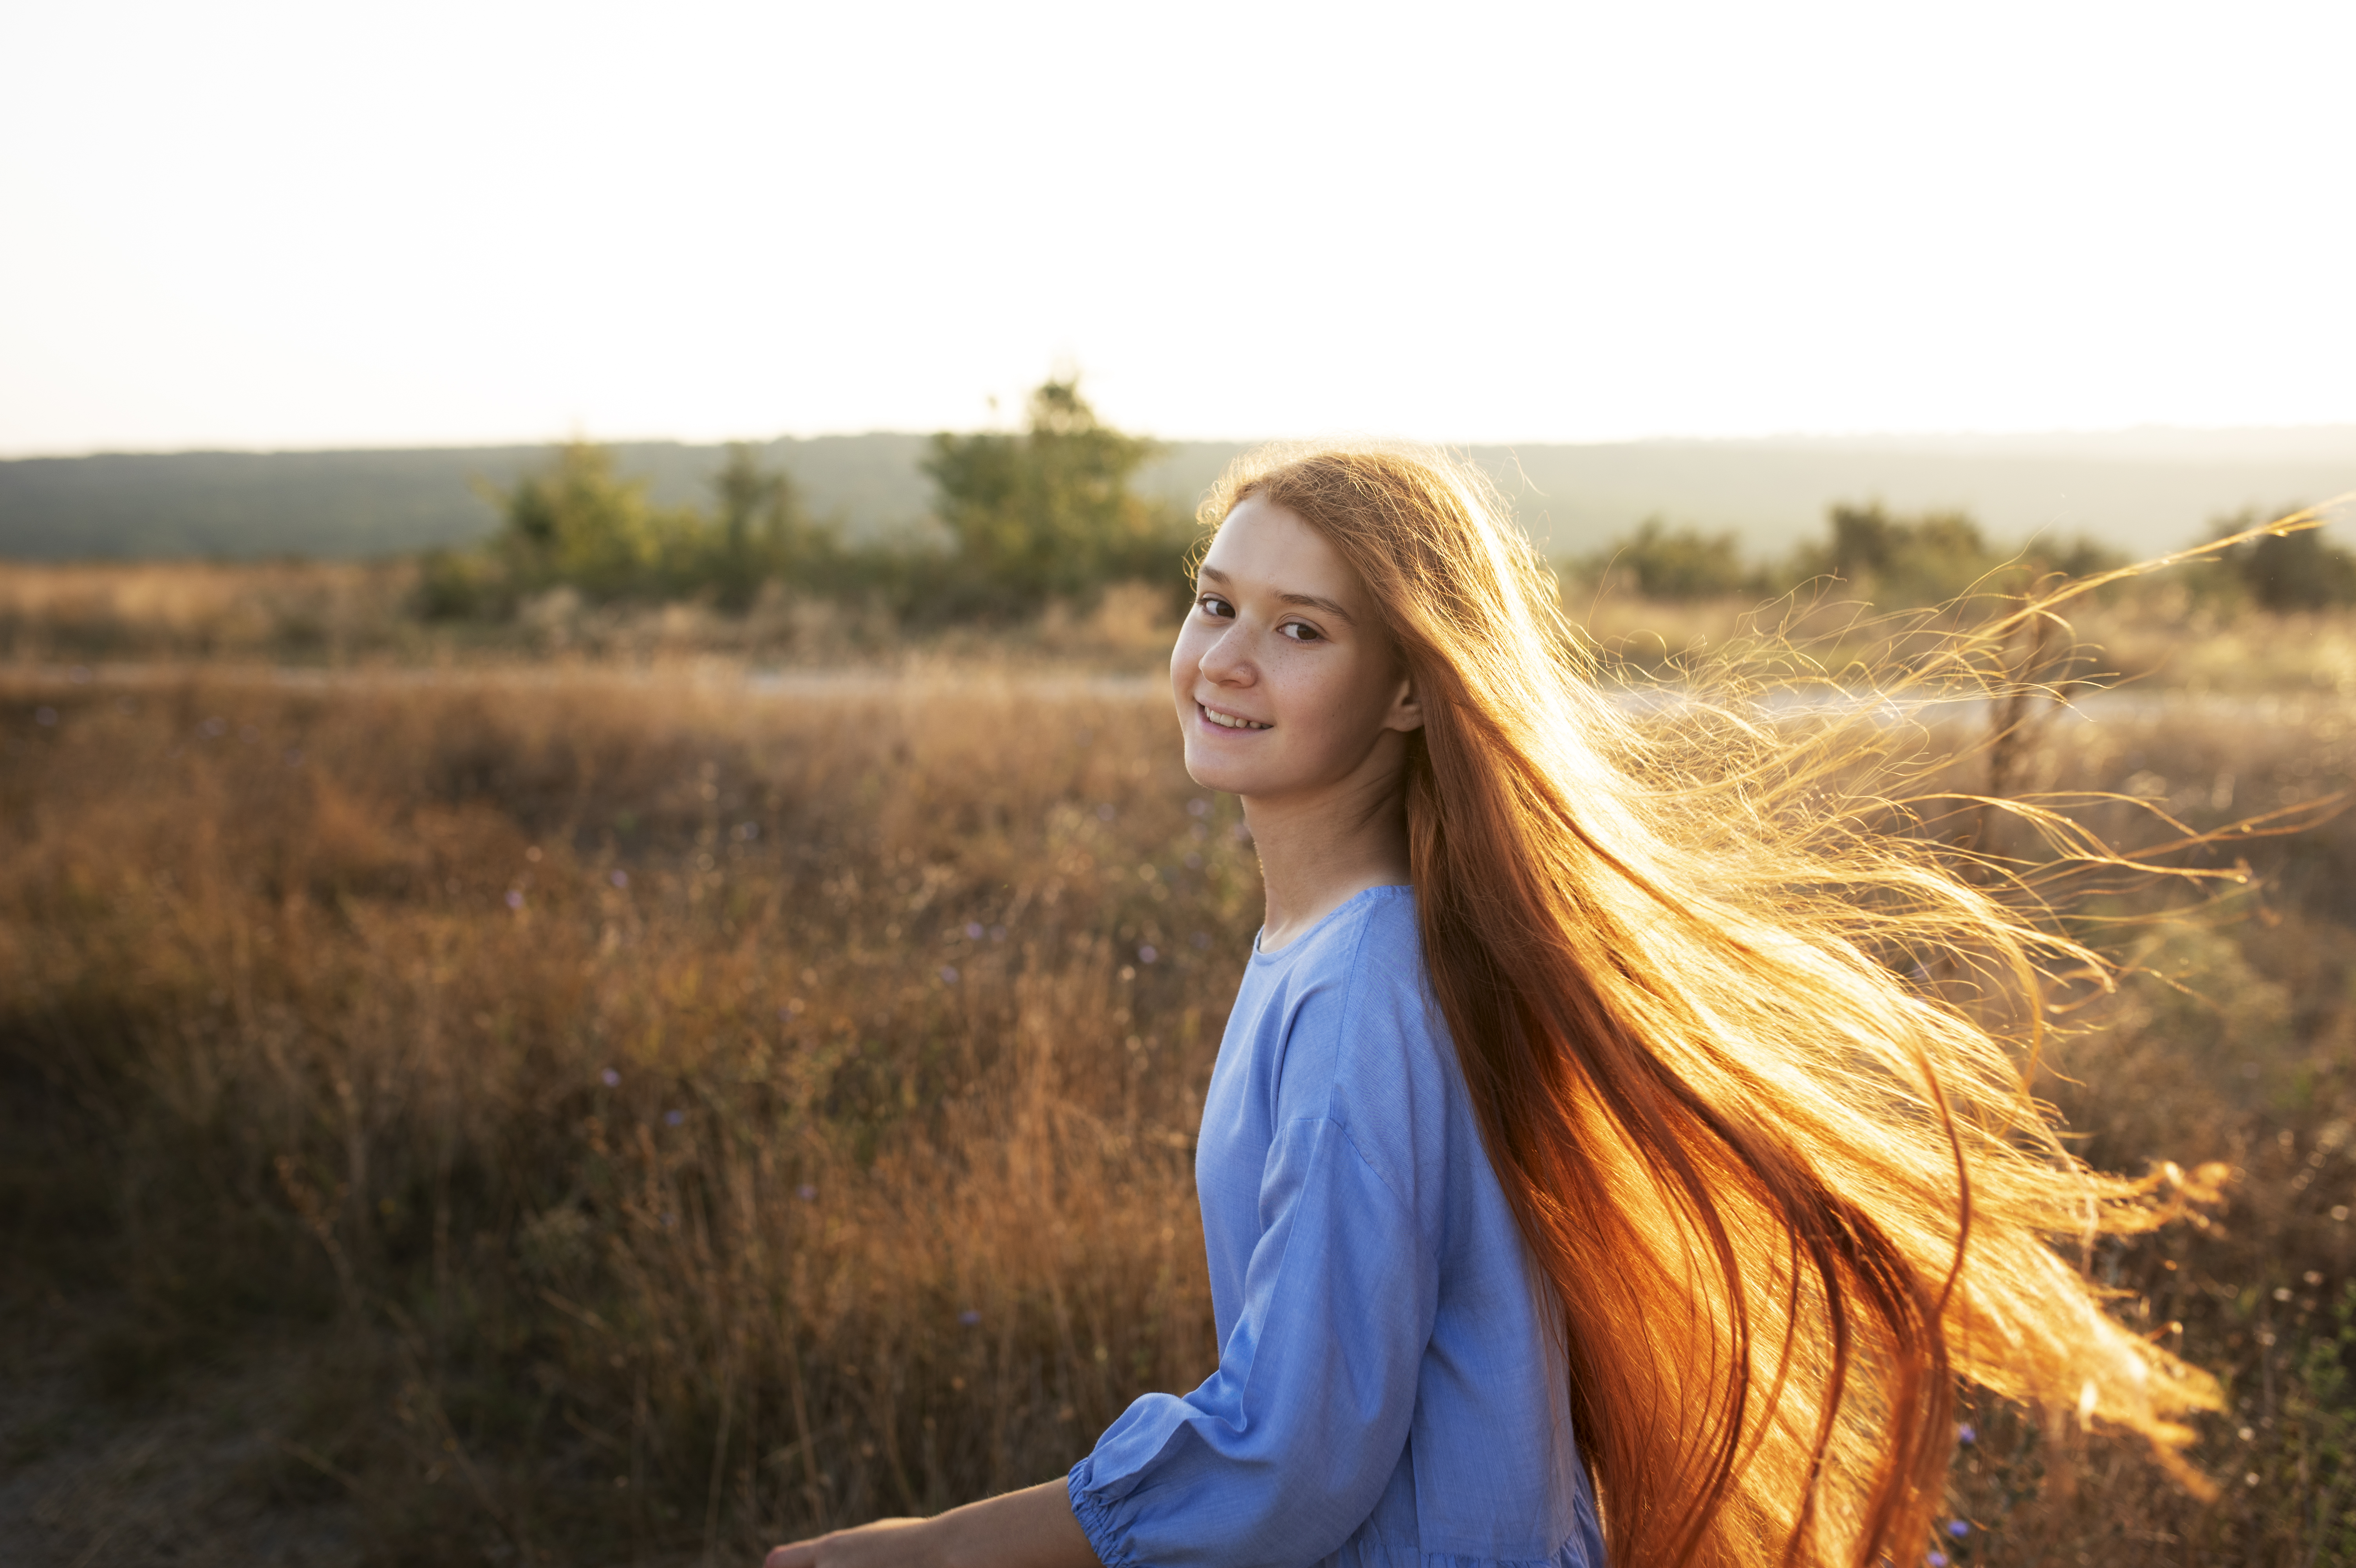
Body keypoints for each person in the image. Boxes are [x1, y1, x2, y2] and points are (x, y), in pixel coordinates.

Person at [770, 446, 2218, 1568]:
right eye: (1214, 603)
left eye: (1299, 631)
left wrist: (941, 1544)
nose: (1222, 658)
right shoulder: (1341, 948)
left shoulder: (1364, 988)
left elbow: (1295, 1451)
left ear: (1411, 693)